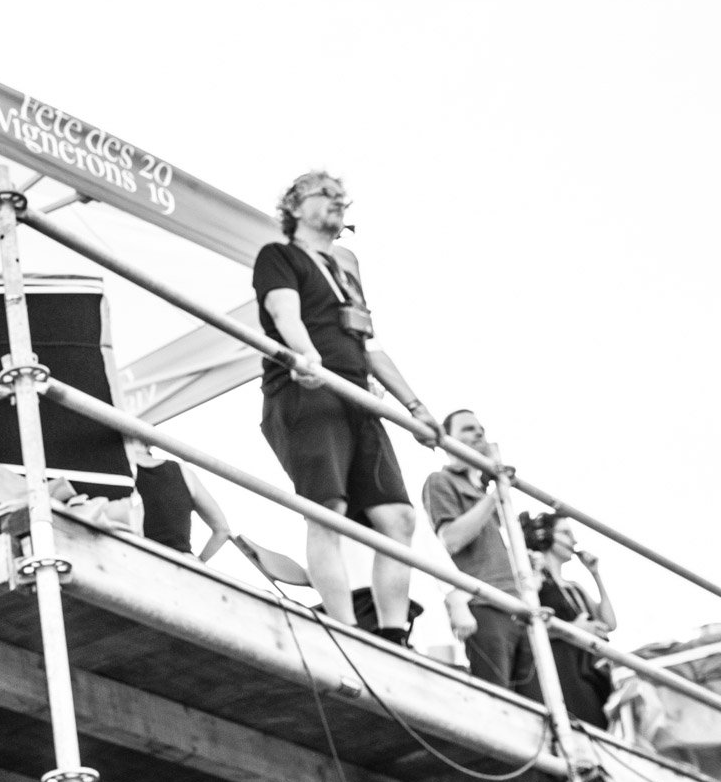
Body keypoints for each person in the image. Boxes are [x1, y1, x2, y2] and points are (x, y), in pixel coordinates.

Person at [253, 170, 443, 643]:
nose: (339, 203)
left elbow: (371, 346)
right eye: (327, 195)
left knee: (397, 519)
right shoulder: (279, 256)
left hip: (358, 397)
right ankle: (344, 628)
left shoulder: (345, 270)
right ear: (295, 206)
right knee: (328, 508)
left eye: (343, 199)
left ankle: (393, 633)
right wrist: (306, 355)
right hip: (308, 392)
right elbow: (283, 313)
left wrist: (415, 407)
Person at [420, 410, 532, 685]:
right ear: (448, 441)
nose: (479, 433)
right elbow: (452, 539)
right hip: (484, 605)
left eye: (481, 428)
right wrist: (496, 495)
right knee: (498, 697)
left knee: (535, 710)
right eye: (468, 429)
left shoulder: (485, 491)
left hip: (517, 609)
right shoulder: (441, 481)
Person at [518, 512, 618, 727]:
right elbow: (524, 625)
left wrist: (595, 574)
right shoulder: (536, 580)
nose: (574, 541)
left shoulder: (574, 587)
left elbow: (610, 623)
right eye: (565, 533)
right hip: (561, 669)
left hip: (587, 671)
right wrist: (575, 629)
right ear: (544, 536)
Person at [125, 438, 231, 561]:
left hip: (136, 562)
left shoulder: (116, 474)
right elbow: (223, 530)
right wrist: (199, 563)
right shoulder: (183, 472)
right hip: (180, 565)